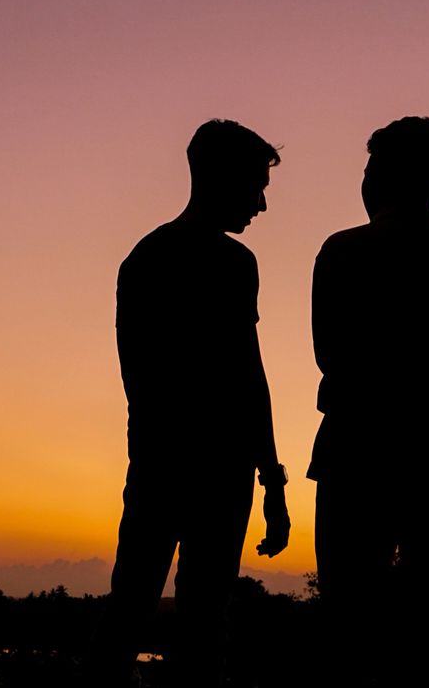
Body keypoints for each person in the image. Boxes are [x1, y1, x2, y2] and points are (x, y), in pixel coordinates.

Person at [308, 116, 429, 686]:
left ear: (379, 176)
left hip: (360, 452)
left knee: (350, 619)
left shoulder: (343, 252)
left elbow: (331, 353)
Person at [91, 119, 291, 688]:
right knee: (179, 618)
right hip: (190, 467)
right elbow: (244, 377)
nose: (261, 205)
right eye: (256, 187)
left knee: (144, 610)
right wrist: (268, 478)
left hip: (178, 463)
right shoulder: (217, 264)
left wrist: (270, 479)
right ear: (220, 179)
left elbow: (243, 377)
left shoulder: (151, 258)